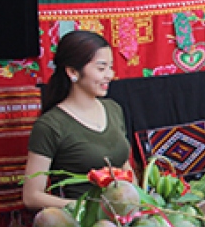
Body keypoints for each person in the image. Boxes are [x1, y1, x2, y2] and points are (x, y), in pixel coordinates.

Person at [23, 30, 133, 209]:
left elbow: (124, 167)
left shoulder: (113, 109)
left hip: (123, 217)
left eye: (110, 67)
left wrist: (136, 202)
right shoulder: (50, 126)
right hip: (84, 224)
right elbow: (32, 196)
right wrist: (87, 208)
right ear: (73, 71)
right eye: (101, 68)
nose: (109, 75)